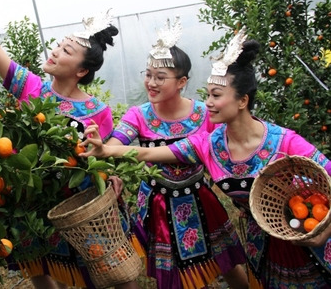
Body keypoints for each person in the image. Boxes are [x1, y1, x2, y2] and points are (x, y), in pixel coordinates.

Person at [81, 29, 331, 288]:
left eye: (216, 95)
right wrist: (105, 150)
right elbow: (145, 152)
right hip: (261, 242)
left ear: (242, 100)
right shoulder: (207, 144)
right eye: (208, 94)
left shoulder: (282, 141)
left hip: (312, 236)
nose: (208, 102)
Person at [0, 0, 126, 289]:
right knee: (40, 271)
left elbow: (104, 154)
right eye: (58, 45)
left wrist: (111, 173)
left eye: (66, 51)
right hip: (29, 198)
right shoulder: (31, 88)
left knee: (95, 270)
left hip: (76, 203)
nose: (55, 51)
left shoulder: (99, 112)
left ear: (82, 70)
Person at [106, 18, 248, 288]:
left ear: (182, 81)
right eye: (148, 74)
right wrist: (104, 154)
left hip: (199, 198)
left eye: (160, 77)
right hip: (157, 205)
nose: (151, 82)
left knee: (226, 263)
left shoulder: (204, 113)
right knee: (173, 275)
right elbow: (115, 143)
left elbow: (227, 147)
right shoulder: (139, 114)